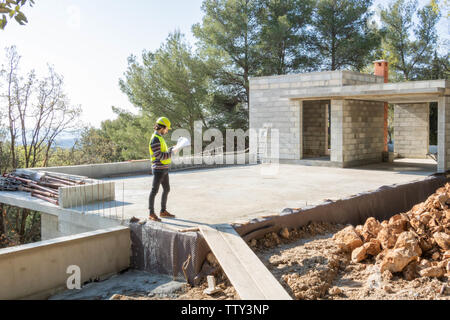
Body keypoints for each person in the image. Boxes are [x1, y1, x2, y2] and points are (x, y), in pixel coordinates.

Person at [148, 117, 177, 222]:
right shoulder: (155, 139)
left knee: (166, 189)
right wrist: (172, 153)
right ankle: (151, 213)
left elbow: (163, 151)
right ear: (162, 128)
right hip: (158, 170)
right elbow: (160, 156)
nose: (167, 130)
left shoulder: (159, 137)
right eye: (167, 129)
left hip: (164, 169)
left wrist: (171, 149)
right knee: (154, 191)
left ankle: (163, 211)